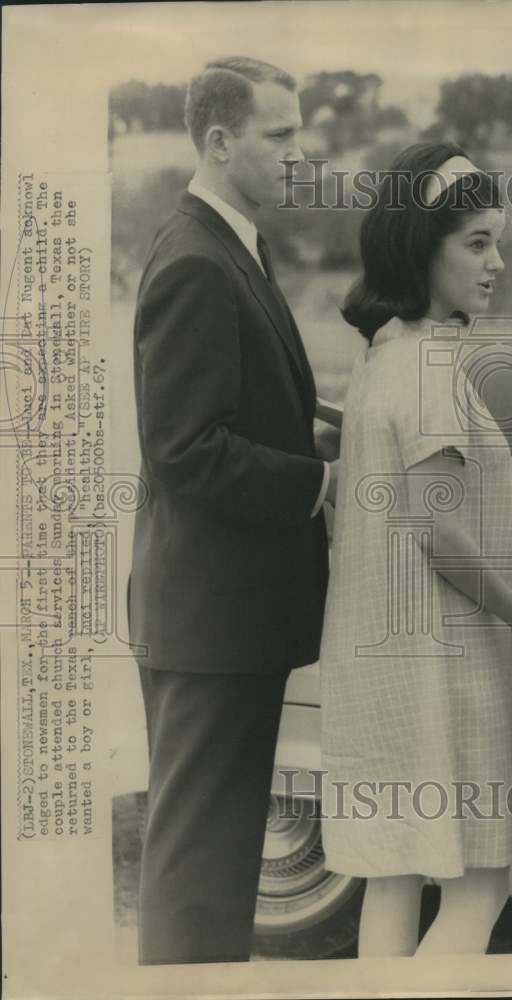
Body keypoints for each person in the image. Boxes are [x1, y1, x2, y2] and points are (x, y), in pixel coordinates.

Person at [318, 142, 512, 957]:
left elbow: (471, 503)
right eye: (477, 243)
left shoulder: (387, 353)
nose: (499, 264)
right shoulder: (433, 367)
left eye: (500, 241)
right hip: (443, 676)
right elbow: (442, 533)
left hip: (385, 675)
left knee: (392, 881)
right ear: (424, 246)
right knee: (480, 890)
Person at [128, 56, 337, 965]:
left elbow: (237, 405)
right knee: (196, 883)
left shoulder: (231, 245)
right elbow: (186, 451)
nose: (303, 153)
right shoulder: (195, 262)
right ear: (220, 141)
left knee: (212, 881)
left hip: (228, 627)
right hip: (210, 631)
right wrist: (319, 480)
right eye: (282, 136)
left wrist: (326, 421)